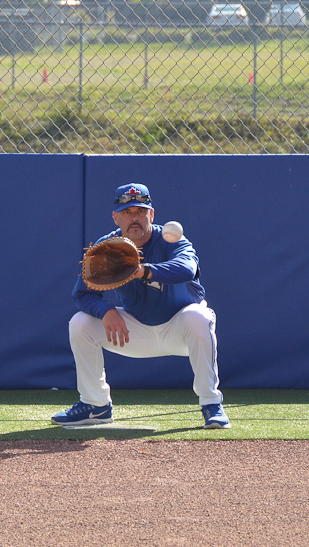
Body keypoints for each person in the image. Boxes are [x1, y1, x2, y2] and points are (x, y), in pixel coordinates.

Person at [52, 182, 231, 430]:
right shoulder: (108, 247)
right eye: (127, 213)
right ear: (116, 218)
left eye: (140, 211)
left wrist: (142, 271)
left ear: (152, 214)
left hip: (179, 329)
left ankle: (212, 405)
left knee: (198, 316)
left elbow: (187, 269)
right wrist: (106, 311)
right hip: (136, 331)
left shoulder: (171, 239)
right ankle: (95, 405)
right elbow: (81, 295)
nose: (134, 218)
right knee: (80, 323)